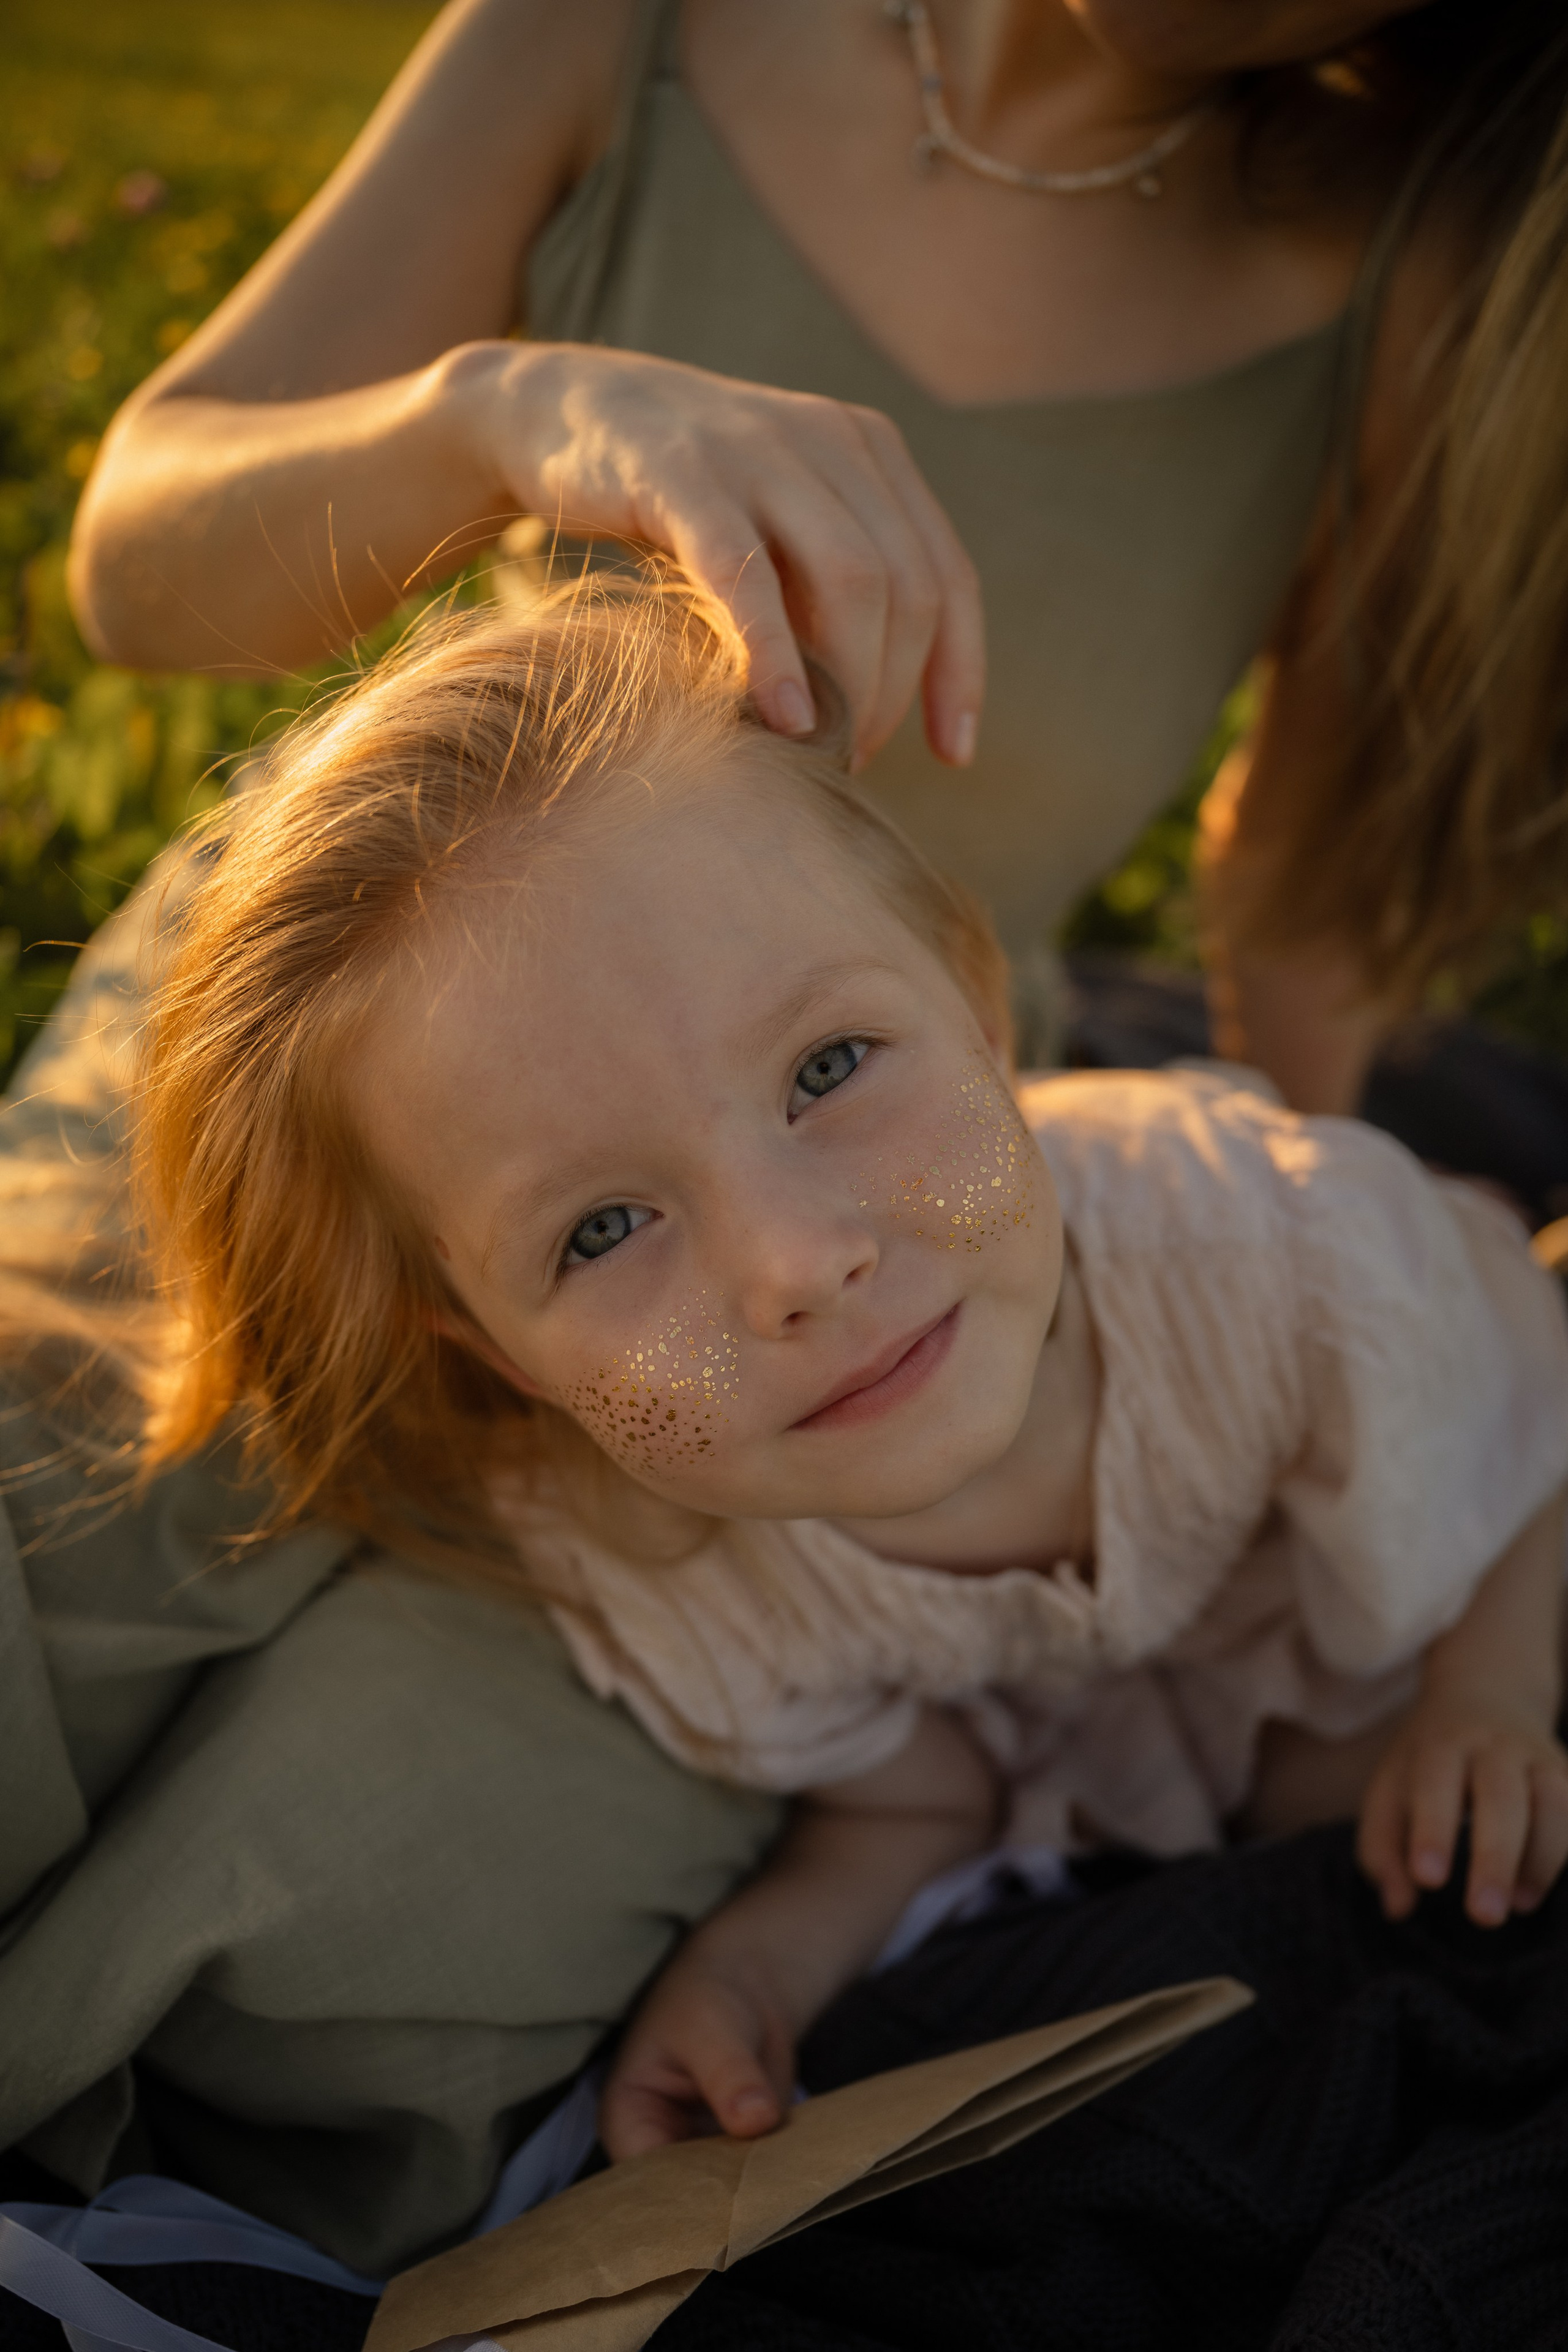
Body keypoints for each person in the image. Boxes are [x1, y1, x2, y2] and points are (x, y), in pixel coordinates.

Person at [116, 576, 1568, 2172]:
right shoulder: (667, 1548)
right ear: (494, 1352)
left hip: (1464, 1507)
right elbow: (909, 1802)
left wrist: (1489, 1696)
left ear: (978, 997)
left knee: (1415, 1811)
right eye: (602, 1231)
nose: (794, 1266)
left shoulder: (1284, 1267)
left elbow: (1529, 1435)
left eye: (827, 1069)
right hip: (1161, 1723)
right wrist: (761, 1964)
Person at [62, 0, 1568, 1098]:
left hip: (849, 1206)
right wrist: (502, 415)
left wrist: (1316, 1260)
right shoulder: (628, 30)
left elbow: (1301, 902)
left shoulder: (1408, 275)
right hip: (331, 1030)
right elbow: (134, 581)